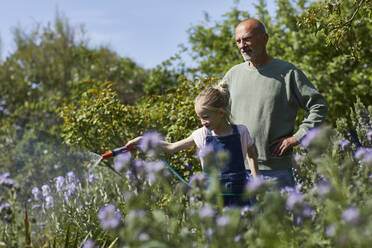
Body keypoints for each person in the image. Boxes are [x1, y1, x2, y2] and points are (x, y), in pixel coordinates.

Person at [223, 18, 328, 189]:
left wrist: (297, 137)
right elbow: (215, 111)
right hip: (237, 170)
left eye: (247, 39)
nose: (242, 45)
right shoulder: (232, 75)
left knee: (280, 217)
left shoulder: (288, 72)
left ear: (265, 38)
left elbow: (319, 106)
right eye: (238, 41)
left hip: (274, 173)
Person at [125, 84, 259, 207]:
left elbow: (252, 155)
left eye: (205, 117)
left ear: (221, 113)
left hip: (240, 199)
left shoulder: (241, 132)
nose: (202, 122)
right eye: (199, 117)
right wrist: (143, 140)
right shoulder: (201, 135)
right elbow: (171, 147)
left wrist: (256, 180)